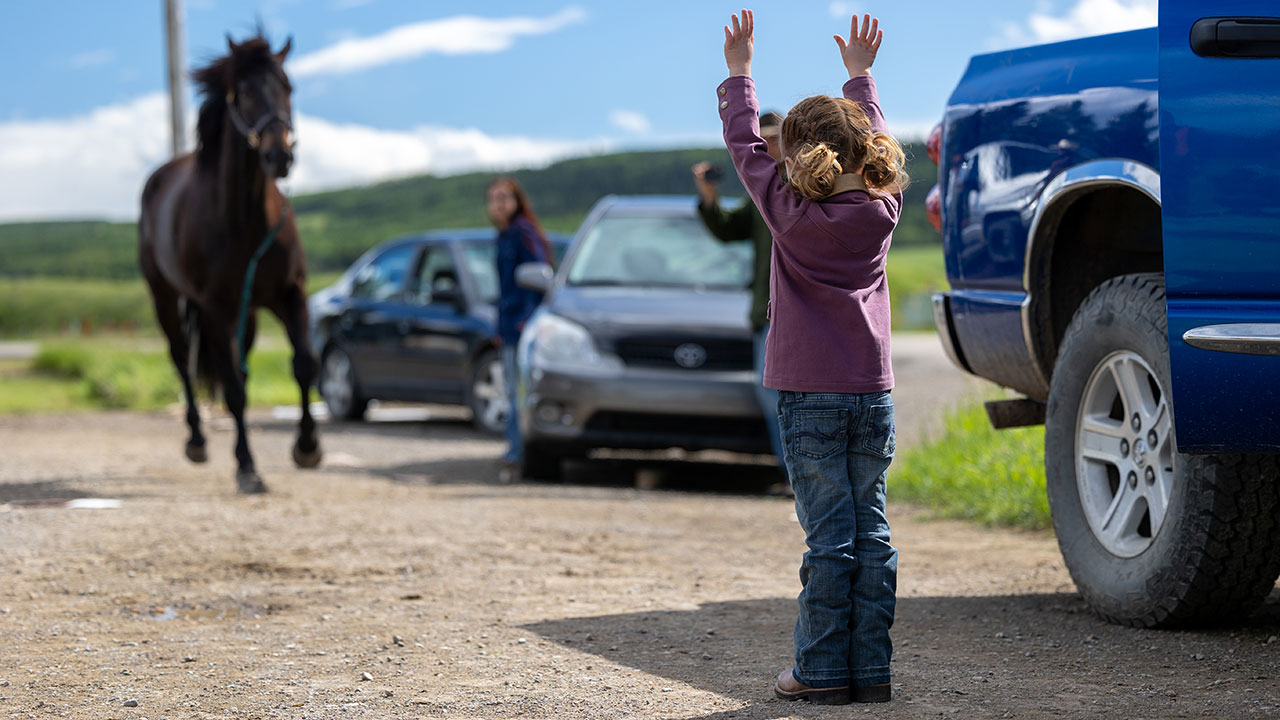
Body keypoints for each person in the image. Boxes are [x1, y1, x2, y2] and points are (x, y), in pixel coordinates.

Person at [717, 10, 907, 705]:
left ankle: (821, 671)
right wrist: (861, 78)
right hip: (871, 394)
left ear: (798, 158)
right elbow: (876, 138)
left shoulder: (789, 214)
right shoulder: (884, 211)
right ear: (865, 151)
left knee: (830, 536)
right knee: (873, 531)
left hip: (808, 394)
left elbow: (744, 146)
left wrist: (740, 74)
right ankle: (870, 669)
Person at [691, 111, 788, 477]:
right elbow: (729, 230)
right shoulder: (761, 191)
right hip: (765, 312)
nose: (768, 146)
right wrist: (710, 197)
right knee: (770, 394)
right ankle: (791, 472)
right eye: (761, 141)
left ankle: (797, 475)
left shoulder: (799, 185)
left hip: (792, 312)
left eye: (775, 138)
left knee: (785, 395)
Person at [487, 177, 552, 469]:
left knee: (520, 392)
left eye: (504, 198)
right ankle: (515, 448)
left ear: (516, 201)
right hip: (508, 323)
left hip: (521, 324)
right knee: (512, 391)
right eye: (493, 199)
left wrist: (526, 320)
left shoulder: (523, 232)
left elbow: (537, 276)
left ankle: (521, 452)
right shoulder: (503, 235)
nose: (498, 204)